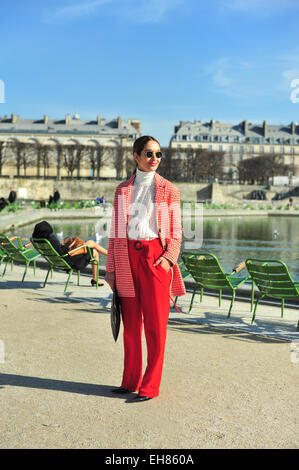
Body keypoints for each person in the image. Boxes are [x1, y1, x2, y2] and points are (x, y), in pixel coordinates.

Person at [105, 135, 186, 402]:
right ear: (136, 156)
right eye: (149, 154)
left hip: (155, 258)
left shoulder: (169, 189)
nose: (155, 159)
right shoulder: (122, 190)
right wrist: (111, 269)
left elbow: (176, 231)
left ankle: (149, 386)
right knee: (130, 326)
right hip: (127, 257)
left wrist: (167, 259)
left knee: (155, 326)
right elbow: (115, 232)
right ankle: (130, 381)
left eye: (159, 154)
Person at [32, 221, 107, 286]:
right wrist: (68, 245)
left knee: (91, 244)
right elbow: (62, 252)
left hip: (59, 260)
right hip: (68, 259)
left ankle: (110, 256)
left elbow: (59, 251)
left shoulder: (40, 240)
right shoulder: (51, 239)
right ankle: (96, 277)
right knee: (94, 250)